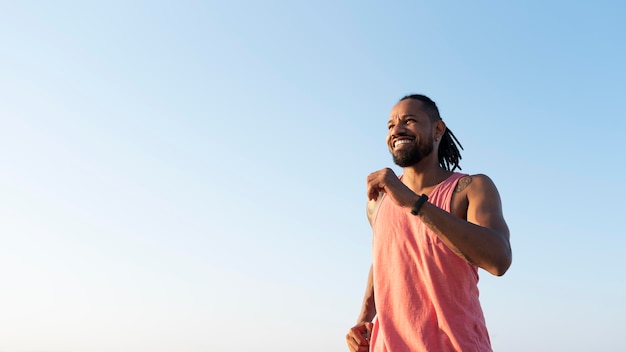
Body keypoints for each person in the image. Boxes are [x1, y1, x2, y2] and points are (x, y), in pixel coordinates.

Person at [346, 94, 512, 352]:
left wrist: (414, 203)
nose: (397, 129)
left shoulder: (470, 188)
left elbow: (499, 259)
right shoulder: (378, 201)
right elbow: (385, 257)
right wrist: (364, 318)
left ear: (437, 129)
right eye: (391, 125)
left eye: (409, 121)